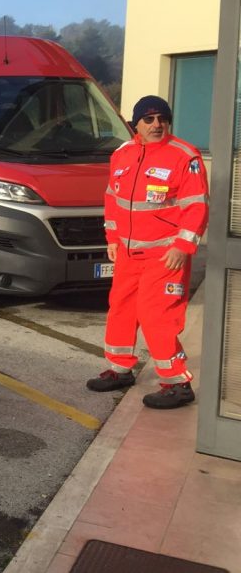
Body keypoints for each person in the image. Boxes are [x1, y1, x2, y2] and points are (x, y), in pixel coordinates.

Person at [87, 95, 209, 409]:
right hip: (128, 254)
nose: (157, 125)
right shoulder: (122, 154)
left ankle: (177, 383)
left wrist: (183, 246)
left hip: (165, 256)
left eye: (162, 119)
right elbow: (113, 199)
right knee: (121, 309)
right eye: (150, 119)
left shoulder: (185, 156)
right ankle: (120, 369)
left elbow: (196, 206)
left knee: (157, 315)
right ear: (135, 124)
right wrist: (112, 238)